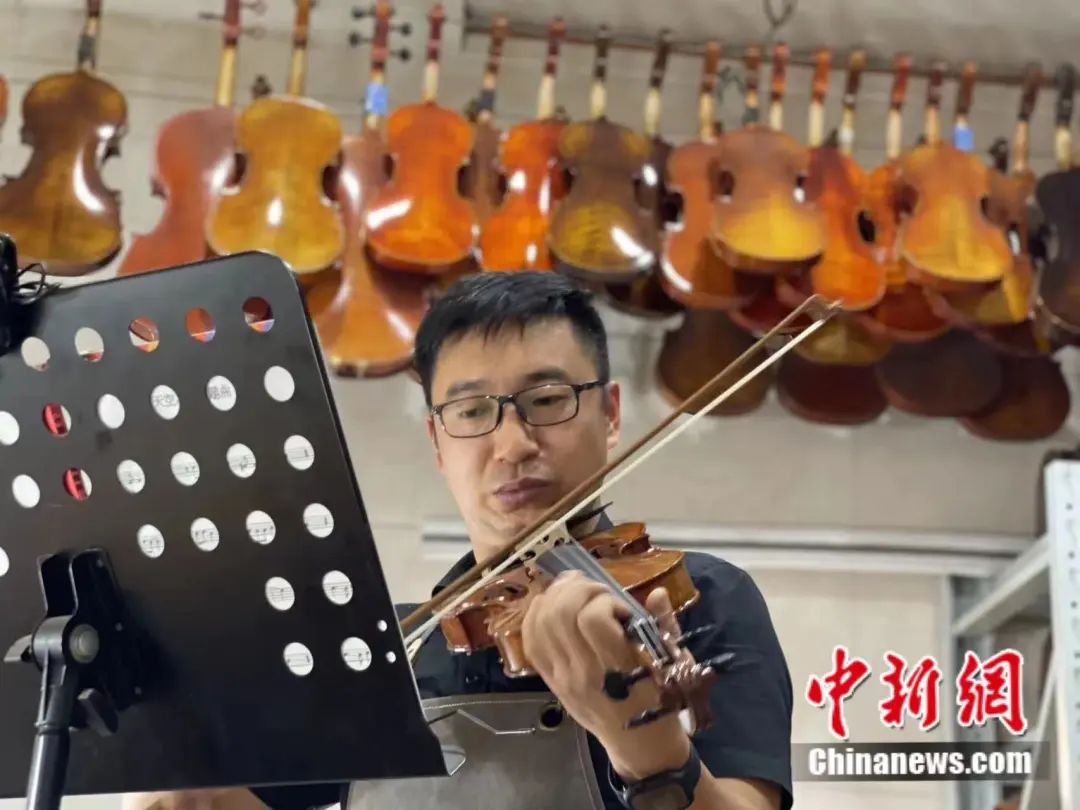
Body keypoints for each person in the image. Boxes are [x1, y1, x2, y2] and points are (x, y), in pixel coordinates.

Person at [128, 271, 793, 810]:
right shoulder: (385, 647)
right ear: (438, 443)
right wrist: (177, 773)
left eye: (548, 399)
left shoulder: (699, 598)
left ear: (611, 414)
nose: (512, 444)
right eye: (472, 411)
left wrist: (655, 763)